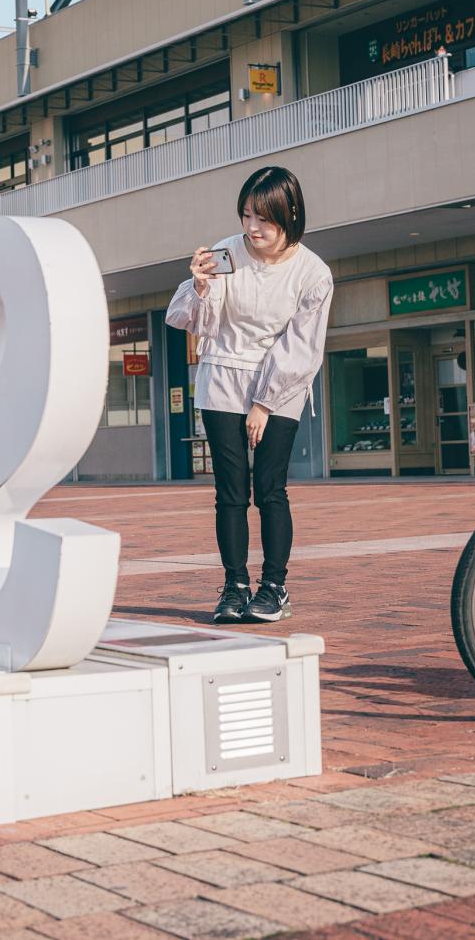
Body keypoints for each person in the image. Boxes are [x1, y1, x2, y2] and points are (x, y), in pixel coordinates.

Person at [167, 166, 334, 624]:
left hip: (279, 386)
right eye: (246, 215)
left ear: (290, 215)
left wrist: (264, 402)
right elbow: (197, 323)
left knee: (270, 490)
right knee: (230, 493)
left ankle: (274, 587)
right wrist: (201, 286)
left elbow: (302, 346)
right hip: (221, 378)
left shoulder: (313, 273)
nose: (253, 228)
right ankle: (235, 586)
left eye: (265, 218)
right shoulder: (228, 254)